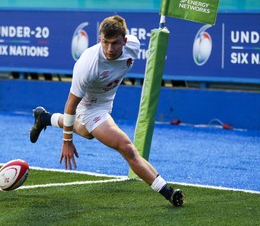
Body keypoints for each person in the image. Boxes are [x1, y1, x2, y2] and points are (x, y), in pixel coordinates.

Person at [29, 15, 185, 207]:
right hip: (89, 106)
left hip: (106, 99)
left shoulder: (133, 46)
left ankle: (44, 118)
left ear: (125, 41)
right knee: (126, 146)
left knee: (87, 133)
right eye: (105, 42)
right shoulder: (88, 64)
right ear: (99, 39)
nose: (110, 49)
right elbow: (70, 105)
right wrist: (67, 141)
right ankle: (168, 192)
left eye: (115, 43)